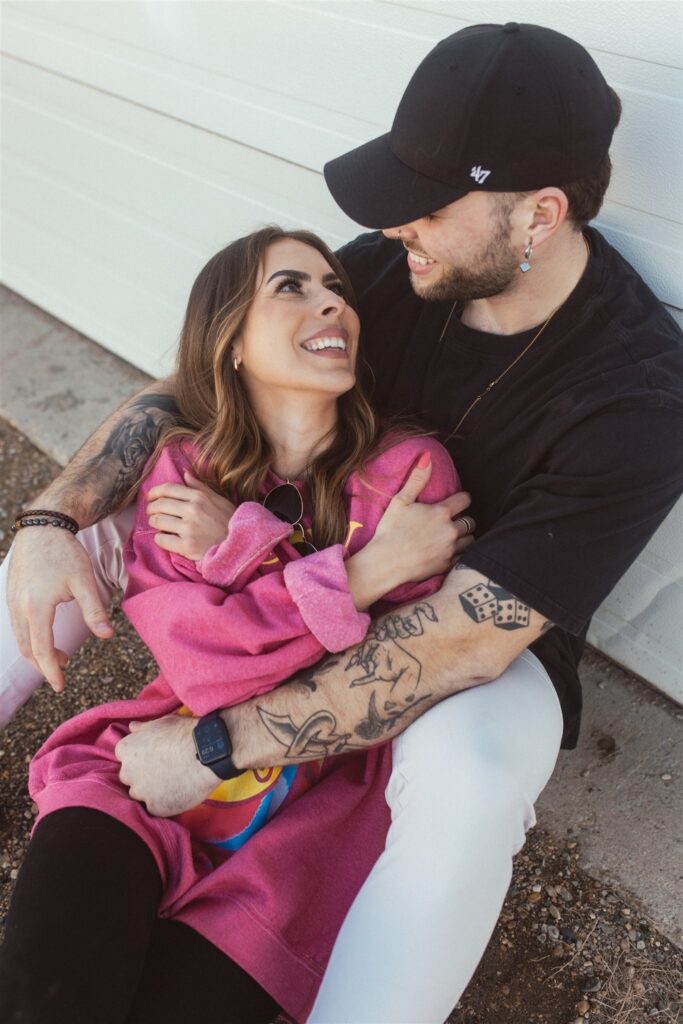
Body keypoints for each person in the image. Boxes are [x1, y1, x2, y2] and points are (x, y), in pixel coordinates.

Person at [2, 22, 682, 1024]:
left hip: (470, 635)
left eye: (427, 204)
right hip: (291, 555)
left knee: (479, 763)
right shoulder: (396, 265)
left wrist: (214, 743)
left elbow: (458, 637)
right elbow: (201, 378)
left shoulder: (634, 397)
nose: (393, 225)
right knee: (105, 514)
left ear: (536, 215)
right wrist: (54, 515)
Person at [0, 225, 475, 1023]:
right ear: (228, 344)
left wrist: (241, 559)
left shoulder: (409, 473)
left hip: (299, 834)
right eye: (289, 286)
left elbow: (382, 676)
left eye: (334, 288)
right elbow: (202, 667)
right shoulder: (188, 470)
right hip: (138, 780)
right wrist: (353, 575)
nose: (330, 299)